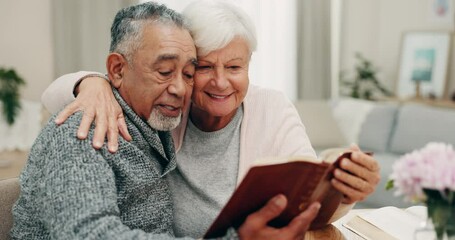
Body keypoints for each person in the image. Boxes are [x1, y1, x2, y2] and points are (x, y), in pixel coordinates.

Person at [41, 0, 380, 238]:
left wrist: (346, 190)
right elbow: (70, 98)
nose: (220, 82)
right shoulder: (168, 110)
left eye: (234, 67)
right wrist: (91, 83)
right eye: (202, 68)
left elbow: (308, 195)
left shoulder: (268, 106)